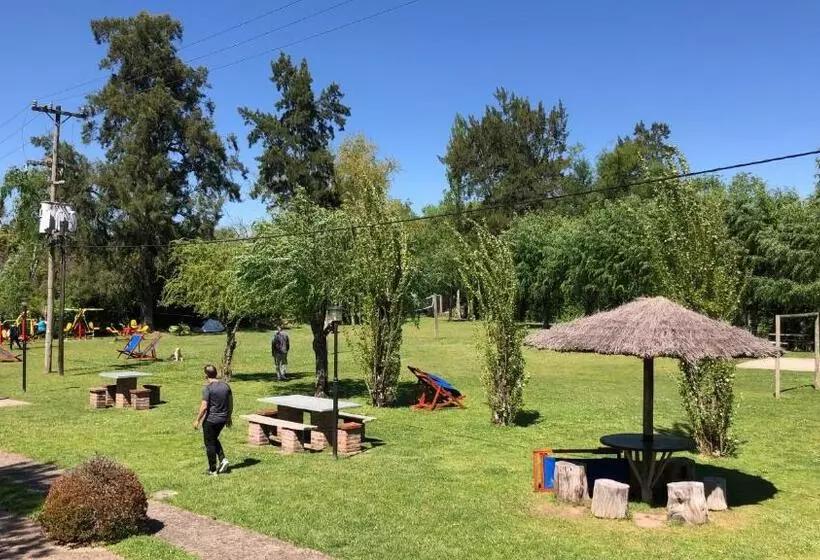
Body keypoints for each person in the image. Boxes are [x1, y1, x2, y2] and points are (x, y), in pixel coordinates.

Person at [193, 364, 232, 476]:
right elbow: (230, 402)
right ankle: (223, 459)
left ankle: (212, 470)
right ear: (216, 373)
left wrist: (197, 420)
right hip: (223, 419)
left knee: (209, 443)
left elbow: (204, 406)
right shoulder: (226, 386)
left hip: (211, 420)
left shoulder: (208, 388)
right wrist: (228, 416)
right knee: (213, 438)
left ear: (206, 375)